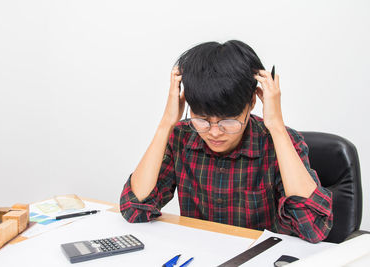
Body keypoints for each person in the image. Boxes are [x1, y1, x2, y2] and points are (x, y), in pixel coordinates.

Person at [119, 40, 333, 243]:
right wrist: (166, 123)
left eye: (228, 121)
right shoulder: (181, 138)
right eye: (202, 119)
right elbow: (134, 209)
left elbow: (313, 228)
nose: (214, 132)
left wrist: (276, 126)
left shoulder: (279, 142)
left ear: (251, 102)